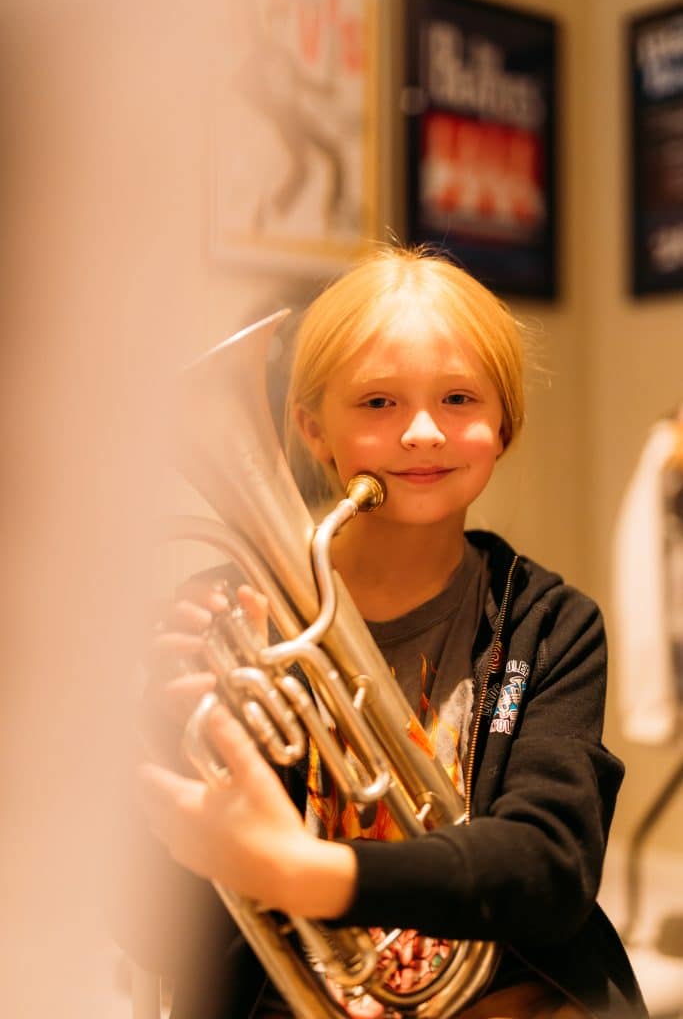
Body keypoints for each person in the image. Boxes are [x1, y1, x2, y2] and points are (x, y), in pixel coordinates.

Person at [135, 246, 648, 1019]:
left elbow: (549, 868)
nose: (422, 432)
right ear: (313, 431)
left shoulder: (550, 623)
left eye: (457, 398)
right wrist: (173, 736)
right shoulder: (229, 614)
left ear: (503, 424)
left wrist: (309, 874)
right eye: (377, 402)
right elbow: (150, 932)